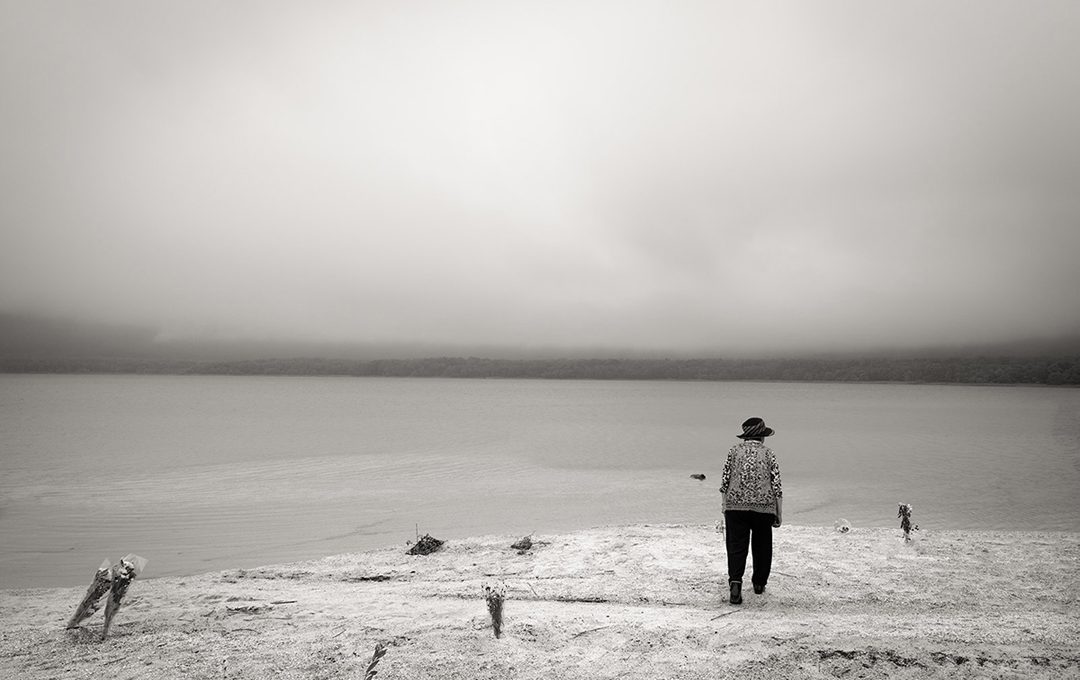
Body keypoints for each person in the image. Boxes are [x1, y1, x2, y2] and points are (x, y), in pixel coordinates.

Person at [719, 417, 782, 604]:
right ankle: (759, 583)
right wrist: (779, 513)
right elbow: (776, 486)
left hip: (735, 506)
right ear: (762, 437)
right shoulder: (768, 453)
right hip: (763, 508)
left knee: (736, 546)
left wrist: (725, 506)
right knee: (762, 546)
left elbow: (724, 482)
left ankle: (736, 583)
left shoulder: (734, 451)